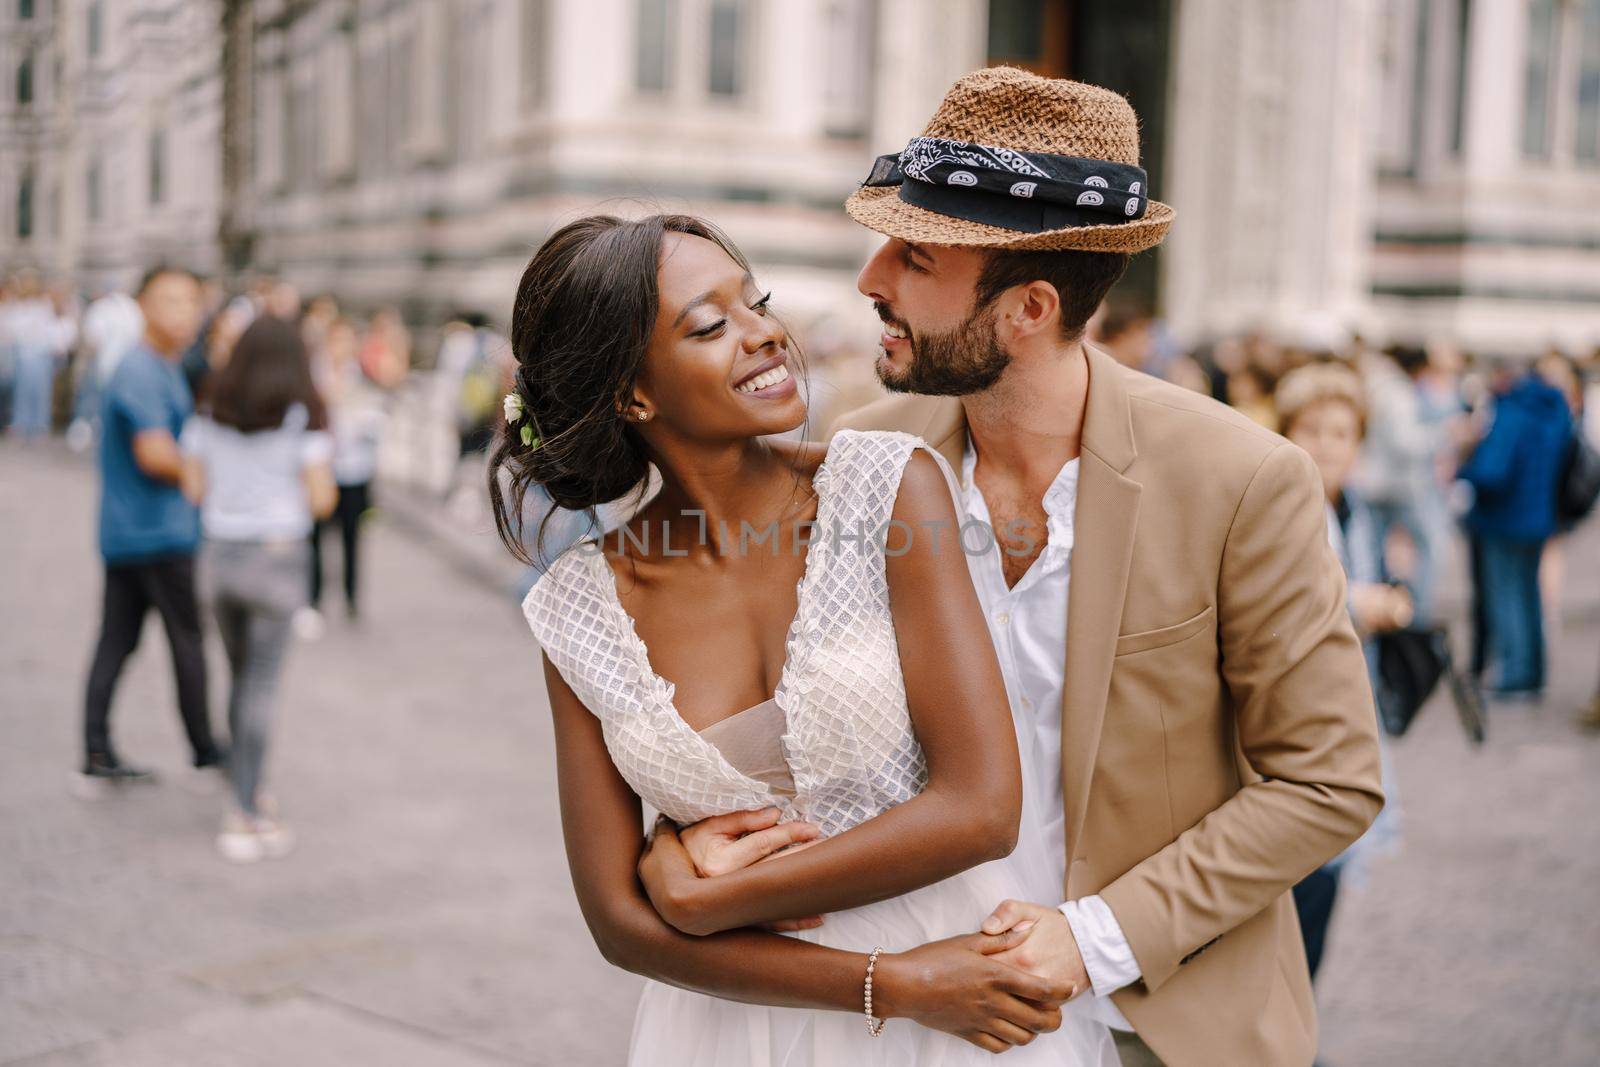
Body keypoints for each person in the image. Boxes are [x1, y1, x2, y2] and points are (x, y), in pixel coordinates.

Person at [805, 68, 1380, 1066]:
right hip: (920, 1013)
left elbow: (1328, 780)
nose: (872, 281)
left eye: (915, 255)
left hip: (1156, 1025)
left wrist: (1093, 934)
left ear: (1027, 308)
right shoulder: (862, 452)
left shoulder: (1243, 479)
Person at [499, 213, 1113, 1065]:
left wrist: (707, 899)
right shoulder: (578, 609)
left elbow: (981, 807)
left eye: (759, 303)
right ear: (631, 394)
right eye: (711, 325)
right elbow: (617, 923)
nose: (765, 336)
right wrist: (891, 984)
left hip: (960, 995)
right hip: (742, 1023)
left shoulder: (886, 490)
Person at [181, 315, 336, 861]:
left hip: (219, 557)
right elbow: (322, 500)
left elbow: (193, 484)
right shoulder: (302, 415)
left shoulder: (209, 408)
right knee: (261, 686)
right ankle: (245, 810)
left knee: (240, 678)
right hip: (275, 557)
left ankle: (243, 786)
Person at [1274, 363, 1407, 983]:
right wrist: (1360, 605)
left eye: (1341, 432)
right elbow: (1282, 604)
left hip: (1348, 710)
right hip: (1296, 725)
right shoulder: (1281, 506)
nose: (1326, 444)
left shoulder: (1355, 510)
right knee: (1300, 886)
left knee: (1326, 888)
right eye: (1312, 428)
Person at [79, 266, 225, 786]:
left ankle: (96, 750)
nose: (183, 312)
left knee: (117, 640)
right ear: (142, 305)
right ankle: (206, 748)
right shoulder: (141, 369)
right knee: (186, 640)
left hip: (130, 530)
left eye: (190, 301)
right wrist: (207, 475)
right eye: (169, 300)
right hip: (157, 533)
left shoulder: (161, 364)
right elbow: (155, 453)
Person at [1460, 360, 1574, 699]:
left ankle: (1513, 675)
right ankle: (1532, 672)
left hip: (1504, 519)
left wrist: (1466, 470)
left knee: (1506, 596)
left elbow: (1494, 470)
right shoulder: (1554, 410)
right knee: (1529, 596)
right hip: (1538, 516)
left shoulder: (1511, 412)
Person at [307, 315, 384, 625]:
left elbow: (378, 418)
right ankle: (313, 598)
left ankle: (352, 597)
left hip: (355, 468)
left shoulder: (362, 377)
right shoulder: (313, 377)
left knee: (352, 537)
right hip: (321, 468)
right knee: (315, 538)